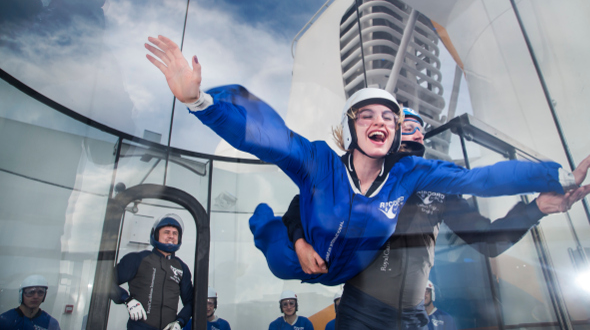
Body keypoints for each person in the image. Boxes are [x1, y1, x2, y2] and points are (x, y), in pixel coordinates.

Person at [145, 35, 590, 287]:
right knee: (274, 240)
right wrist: (201, 102)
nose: (390, 125)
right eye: (369, 116)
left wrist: (552, 179)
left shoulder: (421, 178)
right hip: (321, 274)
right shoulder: (322, 163)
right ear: (353, 127)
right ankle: (262, 225)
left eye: (395, 120)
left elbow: (481, 182)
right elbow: (271, 141)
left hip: (395, 299)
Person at [286, 108, 590, 329]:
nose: (414, 130)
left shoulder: (439, 187)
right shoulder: (357, 172)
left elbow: (488, 241)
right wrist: (300, 242)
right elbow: (300, 204)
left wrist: (537, 207)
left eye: (418, 125)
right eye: (405, 124)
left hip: (413, 317)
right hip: (362, 313)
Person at [111, 213, 193, 330]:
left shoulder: (181, 267)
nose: (171, 236)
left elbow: (191, 301)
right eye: (166, 232)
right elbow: (104, 283)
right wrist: (126, 299)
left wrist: (180, 322)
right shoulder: (138, 259)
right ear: (155, 234)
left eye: (175, 233)